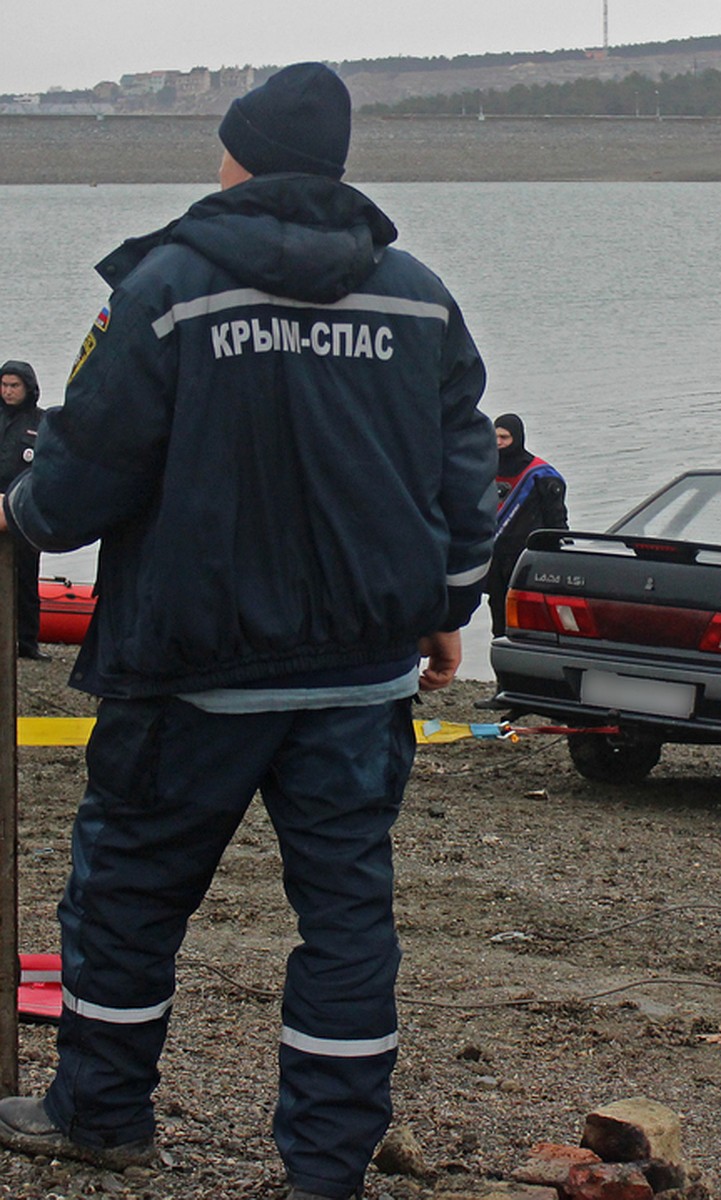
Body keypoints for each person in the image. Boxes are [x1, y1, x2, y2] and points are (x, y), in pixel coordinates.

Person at [0, 63, 495, 1200]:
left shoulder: (168, 288)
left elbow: (81, 475)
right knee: (347, 924)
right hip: (361, 682)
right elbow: (468, 473)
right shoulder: (415, 296)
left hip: (191, 676)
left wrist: (21, 514)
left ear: (236, 157)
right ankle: (326, 1168)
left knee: (127, 898)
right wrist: (446, 607)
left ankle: (101, 1114)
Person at [486, 412, 567, 635]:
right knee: (498, 615)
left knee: (530, 619)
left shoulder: (542, 475)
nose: (498, 443)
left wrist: (556, 559)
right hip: (495, 557)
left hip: (527, 558)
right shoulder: (486, 469)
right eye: (495, 437)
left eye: (504, 438)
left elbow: (557, 522)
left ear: (518, 438)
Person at [0, 360, 46, 659]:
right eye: (3, 385)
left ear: (28, 387)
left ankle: (28, 644)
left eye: (14, 386)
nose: (7, 391)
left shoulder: (43, 421)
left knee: (27, 580)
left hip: (24, 511)